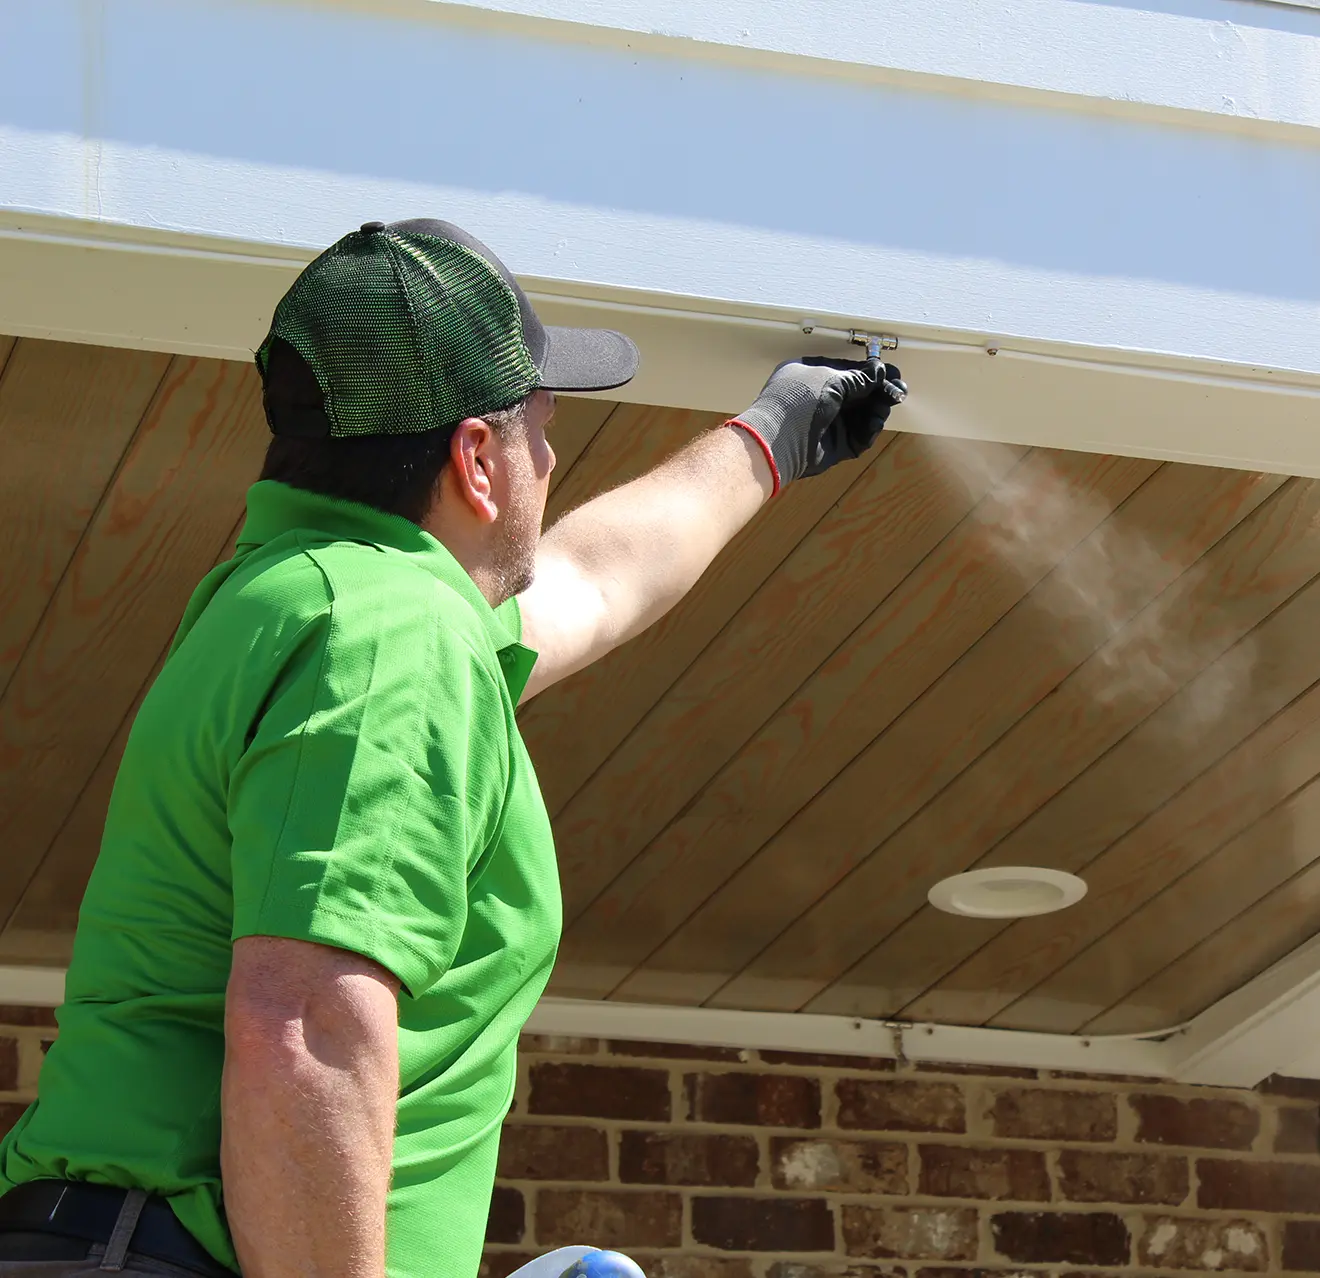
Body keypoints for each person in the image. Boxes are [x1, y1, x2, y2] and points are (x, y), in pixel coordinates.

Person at [0, 219, 905, 1278]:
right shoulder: (393, 635)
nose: (551, 461)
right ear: (479, 458)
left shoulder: (311, 593)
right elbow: (306, 1024)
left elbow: (592, 586)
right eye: (542, 427)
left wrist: (770, 439)